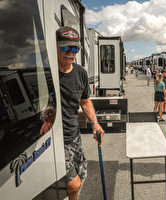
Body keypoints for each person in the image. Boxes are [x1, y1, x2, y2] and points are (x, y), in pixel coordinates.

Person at [56, 26, 105, 200]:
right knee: (73, 184)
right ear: (56, 46)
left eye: (74, 48)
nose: (70, 53)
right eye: (65, 48)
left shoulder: (80, 72)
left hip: (73, 136)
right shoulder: (49, 73)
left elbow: (85, 102)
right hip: (55, 139)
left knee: (80, 176)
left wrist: (95, 123)